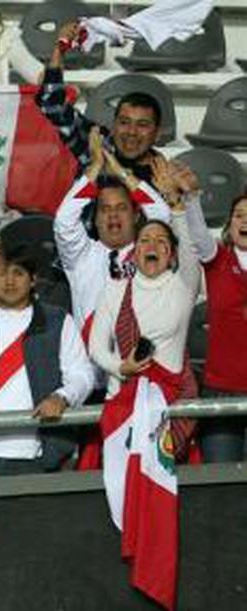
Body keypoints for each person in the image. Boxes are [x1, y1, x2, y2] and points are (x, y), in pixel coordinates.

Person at [88, 160, 200, 461]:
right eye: (145, 240)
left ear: (171, 254)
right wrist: (119, 367)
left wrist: (176, 205)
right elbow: (96, 346)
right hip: (121, 405)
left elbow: (190, 249)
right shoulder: (114, 289)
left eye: (161, 242)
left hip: (168, 406)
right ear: (134, 251)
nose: (152, 245)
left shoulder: (184, 287)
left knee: (158, 499)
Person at [0, 244, 93, 475]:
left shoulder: (58, 321)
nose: (9, 281)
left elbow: (82, 374)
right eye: (2, 273)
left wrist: (61, 397)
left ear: (33, 280)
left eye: (18, 273)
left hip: (39, 457)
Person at [54, 128, 171, 345]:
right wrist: (96, 166)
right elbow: (64, 220)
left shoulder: (149, 253)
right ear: (96, 219)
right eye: (105, 209)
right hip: (90, 366)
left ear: (136, 215)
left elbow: (161, 214)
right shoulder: (81, 255)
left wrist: (121, 171)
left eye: (121, 208)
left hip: (137, 364)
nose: (113, 215)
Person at [37, 21, 164, 187]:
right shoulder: (97, 145)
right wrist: (59, 49)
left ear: (158, 133)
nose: (132, 132)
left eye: (142, 124)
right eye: (124, 122)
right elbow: (52, 105)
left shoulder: (164, 175)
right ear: (114, 124)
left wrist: (172, 197)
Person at [182, 176, 247, 462]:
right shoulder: (218, 261)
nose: (244, 221)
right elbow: (198, 236)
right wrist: (192, 197)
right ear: (229, 224)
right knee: (222, 491)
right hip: (222, 391)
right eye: (238, 215)